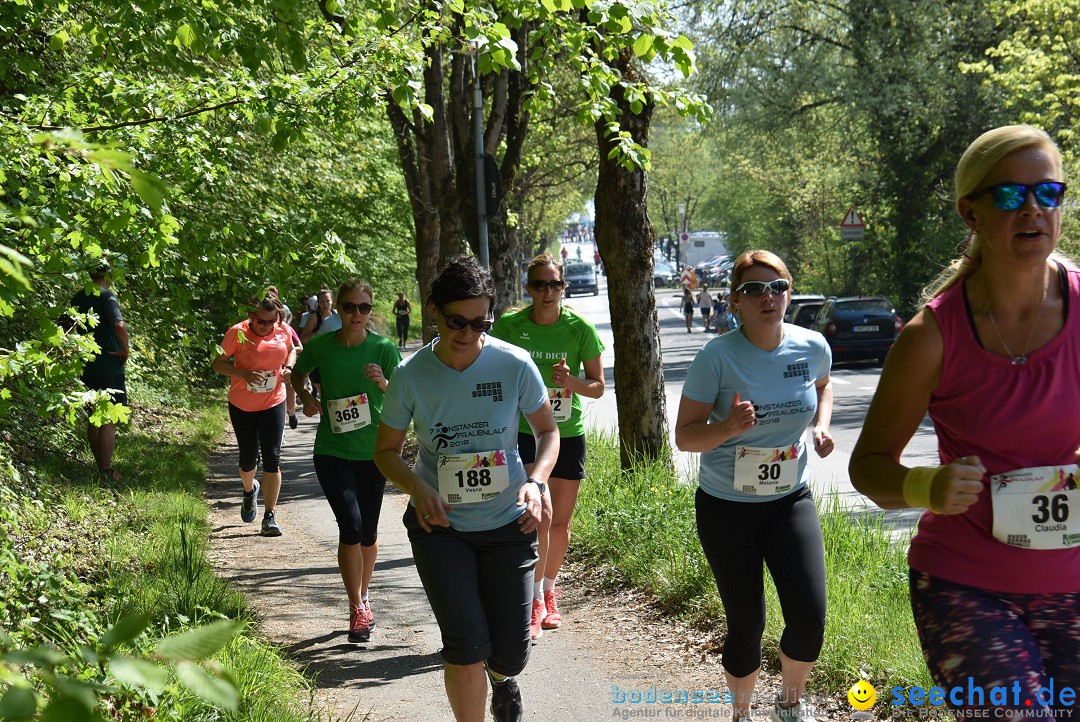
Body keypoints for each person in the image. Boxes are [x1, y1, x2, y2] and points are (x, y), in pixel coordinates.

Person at [849, 125, 1080, 717]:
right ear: (970, 213)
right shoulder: (931, 337)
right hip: (968, 586)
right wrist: (927, 485)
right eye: (1009, 196)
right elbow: (868, 467)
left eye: (1048, 193)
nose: (1032, 209)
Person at [374, 255, 559, 722]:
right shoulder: (411, 375)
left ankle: (503, 679)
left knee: (511, 653)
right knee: (463, 646)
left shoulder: (514, 364)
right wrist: (417, 488)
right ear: (434, 310)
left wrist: (537, 483)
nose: (469, 332)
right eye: (458, 321)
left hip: (508, 523)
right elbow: (386, 452)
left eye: (481, 322)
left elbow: (548, 432)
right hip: (442, 529)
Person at [675, 250, 834, 722]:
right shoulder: (717, 357)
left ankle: (789, 706)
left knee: (809, 619)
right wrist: (726, 428)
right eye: (754, 289)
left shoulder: (811, 346)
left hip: (790, 500)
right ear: (735, 302)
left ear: (789, 292)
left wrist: (820, 425)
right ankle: (742, 715)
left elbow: (823, 385)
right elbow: (685, 436)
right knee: (747, 625)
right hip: (728, 508)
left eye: (777, 287)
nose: (768, 297)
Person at [492, 253, 606, 641]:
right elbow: (488, 364)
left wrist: (568, 380)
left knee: (559, 523)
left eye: (554, 285)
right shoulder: (510, 326)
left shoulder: (579, 328)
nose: (547, 292)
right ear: (529, 289)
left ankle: (549, 590)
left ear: (563, 287)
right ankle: (534, 598)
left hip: (566, 433)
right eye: (539, 285)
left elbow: (598, 387)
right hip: (524, 432)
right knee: (540, 514)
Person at [292, 279, 401, 643]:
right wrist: (306, 398)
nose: (357, 314)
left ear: (371, 311)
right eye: (350, 307)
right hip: (332, 451)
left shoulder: (383, 348)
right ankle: (356, 606)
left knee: (368, 533)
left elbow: (403, 397)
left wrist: (384, 382)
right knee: (351, 527)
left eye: (364, 308)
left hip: (373, 451)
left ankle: (364, 596)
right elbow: (297, 373)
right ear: (337, 308)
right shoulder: (322, 345)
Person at [212, 294, 296, 537]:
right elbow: (218, 363)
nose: (267, 327)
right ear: (251, 317)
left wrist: (289, 368)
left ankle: (270, 516)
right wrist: (242, 374)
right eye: (262, 322)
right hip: (243, 405)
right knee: (248, 459)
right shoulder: (237, 333)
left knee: (272, 457)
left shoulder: (282, 330)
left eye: (271, 321)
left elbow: (291, 350)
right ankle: (249, 491)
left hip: (274, 401)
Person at [70, 262, 130, 482]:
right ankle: (105, 470)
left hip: (87, 364)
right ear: (109, 274)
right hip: (108, 363)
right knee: (108, 417)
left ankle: (99, 468)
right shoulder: (106, 296)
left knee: (94, 416)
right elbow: (119, 325)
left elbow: (65, 325)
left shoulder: (79, 296)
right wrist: (125, 349)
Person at [280, 307, 303, 429]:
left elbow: (299, 347)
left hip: (287, 370)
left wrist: (285, 352)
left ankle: (292, 413)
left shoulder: (286, 328)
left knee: (289, 404)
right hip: (271, 373)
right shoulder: (259, 328)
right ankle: (279, 431)